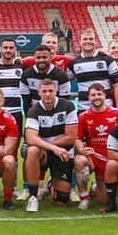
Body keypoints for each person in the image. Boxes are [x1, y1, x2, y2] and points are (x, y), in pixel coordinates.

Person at [23, 78, 78, 212]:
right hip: (45, 152)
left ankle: (52, 184)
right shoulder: (33, 110)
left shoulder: (68, 106)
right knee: (32, 150)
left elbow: (71, 136)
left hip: (62, 152)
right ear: (39, 92)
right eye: (44, 91)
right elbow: (30, 138)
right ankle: (33, 197)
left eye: (50, 91)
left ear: (56, 91)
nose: (47, 94)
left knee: (62, 201)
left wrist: (52, 146)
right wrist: (53, 148)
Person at [74, 83, 118, 209]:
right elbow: (77, 139)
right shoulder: (83, 116)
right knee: (79, 160)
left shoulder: (116, 114)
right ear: (89, 98)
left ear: (105, 96)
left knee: (105, 200)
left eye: (99, 94)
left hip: (111, 158)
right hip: (93, 158)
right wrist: (82, 150)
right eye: (93, 95)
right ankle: (84, 197)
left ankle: (96, 186)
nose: (96, 97)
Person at [70, 28, 118, 112]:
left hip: (106, 108)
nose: (88, 41)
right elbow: (64, 81)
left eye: (91, 39)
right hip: (84, 109)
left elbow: (117, 85)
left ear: (96, 41)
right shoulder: (74, 63)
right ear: (80, 42)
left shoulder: (107, 59)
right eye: (85, 39)